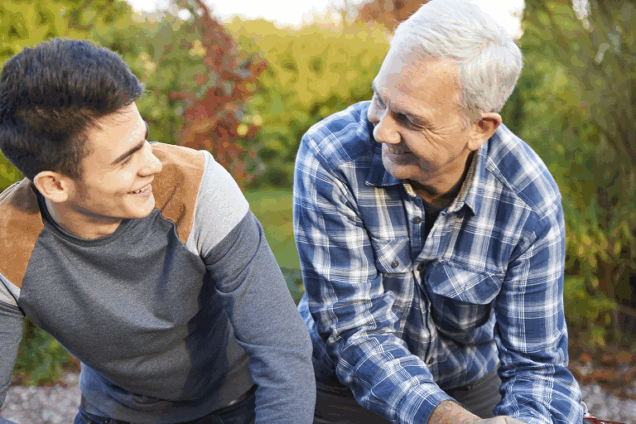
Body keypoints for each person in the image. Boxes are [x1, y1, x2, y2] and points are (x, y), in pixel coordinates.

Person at [293, 0, 584, 423]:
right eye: (380, 98)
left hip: (466, 387)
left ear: (479, 128)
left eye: (409, 119)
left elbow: (537, 365)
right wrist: (444, 418)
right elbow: (355, 329)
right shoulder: (332, 155)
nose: (381, 130)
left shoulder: (528, 202)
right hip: (337, 389)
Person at [0, 38, 314, 424]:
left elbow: (283, 352)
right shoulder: (8, 245)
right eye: (125, 158)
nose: (152, 163)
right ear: (54, 185)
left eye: (143, 139)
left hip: (236, 406)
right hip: (113, 414)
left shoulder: (199, 188)